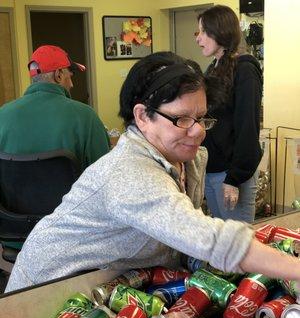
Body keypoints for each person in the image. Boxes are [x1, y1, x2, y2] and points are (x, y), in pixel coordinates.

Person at [5, 51, 300, 292]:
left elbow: (183, 231)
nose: (197, 131)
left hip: (113, 279)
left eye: (201, 117)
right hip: (50, 288)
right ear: (143, 116)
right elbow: (210, 239)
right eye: (181, 119)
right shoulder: (129, 172)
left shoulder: (187, 158)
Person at [0, 45, 110, 252]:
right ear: (59, 75)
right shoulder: (85, 116)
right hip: (71, 238)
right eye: (70, 74)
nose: (72, 82)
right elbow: (105, 183)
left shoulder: (2, 115)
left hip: (12, 234)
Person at [195, 5, 263, 223]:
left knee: (238, 249)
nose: (199, 39)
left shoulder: (244, 69)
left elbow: (247, 128)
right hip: (212, 171)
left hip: (231, 176)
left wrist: (234, 178)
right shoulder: (214, 68)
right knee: (222, 248)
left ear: (220, 32)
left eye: (203, 32)